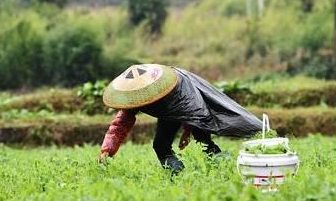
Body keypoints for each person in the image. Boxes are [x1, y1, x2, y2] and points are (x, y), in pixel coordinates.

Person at [99, 64, 262, 173]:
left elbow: (191, 110)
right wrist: (107, 150)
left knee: (201, 141)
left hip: (191, 105)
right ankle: (179, 175)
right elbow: (120, 124)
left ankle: (225, 169)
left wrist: (187, 130)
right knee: (164, 146)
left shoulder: (171, 87)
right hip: (174, 110)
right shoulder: (135, 96)